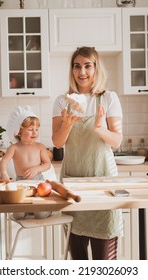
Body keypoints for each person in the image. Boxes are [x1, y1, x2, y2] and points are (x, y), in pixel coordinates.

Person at [52, 46, 123, 260]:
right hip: (73, 187)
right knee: (79, 261)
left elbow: (117, 140)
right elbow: (57, 142)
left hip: (103, 185)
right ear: (72, 70)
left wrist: (100, 129)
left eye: (87, 66)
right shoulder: (62, 101)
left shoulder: (108, 98)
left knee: (105, 264)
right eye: (77, 66)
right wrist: (66, 124)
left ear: (96, 68)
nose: (82, 72)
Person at [0, 105, 51, 181]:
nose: (34, 132)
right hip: (21, 181)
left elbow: (48, 164)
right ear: (19, 132)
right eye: (30, 129)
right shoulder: (14, 148)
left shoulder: (40, 147)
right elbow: (3, 162)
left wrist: (36, 169)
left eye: (36, 129)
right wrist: (3, 173)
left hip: (39, 180)